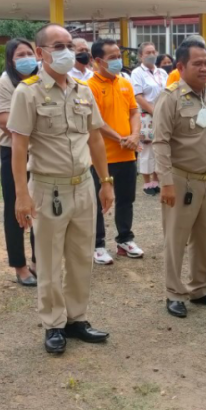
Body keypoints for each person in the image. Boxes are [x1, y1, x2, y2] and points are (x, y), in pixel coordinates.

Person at [8, 24, 113, 354]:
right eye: (58, 45)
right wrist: (22, 195)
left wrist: (105, 181)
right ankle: (53, 324)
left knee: (82, 256)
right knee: (51, 260)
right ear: (41, 53)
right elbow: (19, 146)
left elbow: (95, 138)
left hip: (83, 185)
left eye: (69, 44)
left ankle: (77, 318)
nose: (67, 51)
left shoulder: (83, 90)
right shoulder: (28, 92)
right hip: (47, 189)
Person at [152, 39, 206, 318]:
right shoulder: (171, 97)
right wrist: (165, 181)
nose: (205, 68)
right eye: (197, 63)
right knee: (176, 238)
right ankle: (174, 293)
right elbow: (161, 142)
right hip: (181, 180)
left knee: (204, 237)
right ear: (180, 66)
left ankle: (200, 288)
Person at [86, 38, 143, 265]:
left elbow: (134, 112)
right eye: (113, 57)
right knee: (98, 202)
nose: (118, 60)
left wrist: (135, 135)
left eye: (119, 56)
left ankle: (124, 239)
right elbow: (96, 123)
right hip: (102, 157)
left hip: (127, 153)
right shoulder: (89, 87)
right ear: (98, 61)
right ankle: (98, 244)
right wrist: (120, 138)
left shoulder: (124, 83)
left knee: (126, 199)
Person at [0, 38, 38, 287]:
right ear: (11, 59)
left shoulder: (41, 81)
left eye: (30, 53)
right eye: (20, 54)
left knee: (40, 208)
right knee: (16, 209)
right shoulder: (4, 84)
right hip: (14, 152)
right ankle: (19, 266)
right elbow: (3, 121)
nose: (26, 58)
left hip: (41, 154)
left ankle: (37, 262)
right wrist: (39, 131)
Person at [131, 41, 168, 196]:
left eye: (154, 52)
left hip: (162, 113)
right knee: (146, 148)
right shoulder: (137, 73)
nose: (152, 55)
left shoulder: (162, 72)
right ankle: (147, 183)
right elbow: (138, 96)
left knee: (159, 147)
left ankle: (156, 180)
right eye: (148, 53)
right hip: (147, 114)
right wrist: (154, 110)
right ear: (141, 56)